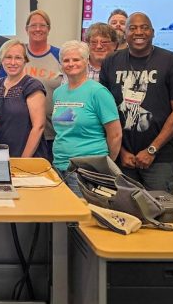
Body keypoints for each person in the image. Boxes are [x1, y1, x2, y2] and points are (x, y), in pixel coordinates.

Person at [99, 12, 173, 193]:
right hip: (122, 157)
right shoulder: (111, 61)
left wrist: (151, 150)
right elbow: (104, 110)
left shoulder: (171, 61)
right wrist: (121, 151)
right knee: (124, 214)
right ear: (125, 34)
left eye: (144, 28)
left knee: (160, 215)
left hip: (160, 159)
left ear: (153, 32)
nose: (138, 32)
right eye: (132, 28)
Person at [52, 41, 122, 194]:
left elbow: (115, 134)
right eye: (66, 60)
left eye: (76, 59)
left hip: (88, 170)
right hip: (59, 165)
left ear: (86, 61)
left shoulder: (98, 92)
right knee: (63, 215)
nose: (71, 64)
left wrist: (106, 165)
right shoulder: (58, 92)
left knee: (84, 215)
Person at [0, 39, 48, 158]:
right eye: (8, 57)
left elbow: (39, 127)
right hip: (0, 155)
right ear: (1, 59)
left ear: (25, 60)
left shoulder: (32, 86)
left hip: (27, 156)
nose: (12, 62)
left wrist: (23, 160)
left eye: (18, 58)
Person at [24, 10, 63, 151]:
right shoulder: (17, 54)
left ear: (49, 29)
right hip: (20, 131)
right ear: (26, 29)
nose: (38, 29)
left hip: (51, 133)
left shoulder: (59, 55)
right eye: (33, 25)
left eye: (42, 25)